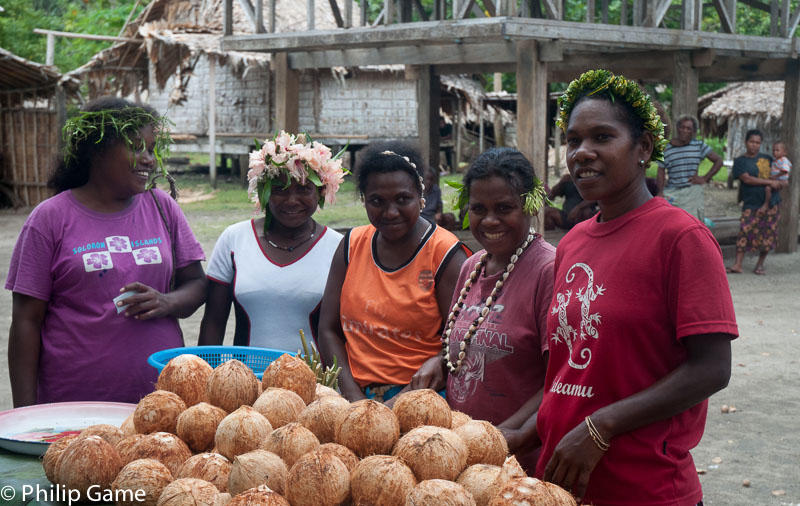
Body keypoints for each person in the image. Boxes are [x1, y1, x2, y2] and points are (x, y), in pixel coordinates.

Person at [536, 70, 737, 505]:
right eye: (573, 141)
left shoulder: (681, 238)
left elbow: (713, 367)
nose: (582, 153)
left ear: (643, 147)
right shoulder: (572, 242)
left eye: (602, 137)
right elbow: (569, 370)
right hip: (560, 484)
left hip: (644, 486)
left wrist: (600, 426)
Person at [6, 97, 206, 407]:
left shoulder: (161, 207)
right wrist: (26, 414)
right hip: (73, 405)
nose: (148, 159)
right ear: (97, 150)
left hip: (159, 405)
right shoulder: (50, 219)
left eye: (151, 150)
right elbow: (26, 322)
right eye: (135, 147)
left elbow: (197, 283)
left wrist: (166, 301)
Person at [419, 147, 554, 473]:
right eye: (479, 209)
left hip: (518, 463)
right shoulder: (472, 267)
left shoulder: (548, 269)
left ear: (530, 206)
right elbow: (467, 341)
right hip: (464, 456)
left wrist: (500, 437)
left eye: (504, 208)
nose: (490, 220)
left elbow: (558, 380)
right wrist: (440, 361)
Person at [318, 141, 469, 404]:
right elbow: (328, 329)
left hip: (422, 399)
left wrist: (399, 401)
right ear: (364, 199)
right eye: (377, 201)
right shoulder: (352, 245)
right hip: (353, 395)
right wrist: (353, 399)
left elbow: (460, 342)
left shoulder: (444, 254)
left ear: (421, 195)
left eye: (403, 199)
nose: (390, 212)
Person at [198, 132, 346, 351]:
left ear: (321, 192)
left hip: (317, 382)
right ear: (263, 192)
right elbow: (213, 321)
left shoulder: (339, 247)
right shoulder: (235, 239)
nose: (292, 200)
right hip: (247, 379)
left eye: (304, 189)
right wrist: (205, 374)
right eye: (279, 189)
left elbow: (347, 329)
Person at [726, 130, 786, 275]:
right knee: (744, 231)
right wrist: (770, 182)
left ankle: (759, 265)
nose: (754, 145)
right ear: (746, 142)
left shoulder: (768, 159)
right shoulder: (740, 161)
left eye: (758, 143)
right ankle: (737, 264)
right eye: (752, 142)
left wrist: (780, 183)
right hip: (751, 202)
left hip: (771, 202)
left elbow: (780, 176)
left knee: (768, 233)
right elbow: (747, 179)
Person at [656, 115, 724, 222]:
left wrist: (704, 178)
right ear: (677, 128)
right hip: (673, 191)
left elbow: (718, 161)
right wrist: (660, 192)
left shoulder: (698, 145)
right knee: (670, 222)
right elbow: (660, 171)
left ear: (693, 132)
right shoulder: (666, 148)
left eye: (688, 129)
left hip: (692, 191)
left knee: (692, 222)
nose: (684, 130)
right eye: (682, 127)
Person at [420, 164, 457, 230]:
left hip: (433, 217)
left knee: (450, 217)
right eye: (427, 179)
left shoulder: (436, 189)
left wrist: (439, 213)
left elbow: (439, 204)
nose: (429, 182)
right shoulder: (417, 190)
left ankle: (445, 235)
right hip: (422, 218)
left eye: (431, 179)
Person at [761, 140, 792, 216]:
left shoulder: (784, 160)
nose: (775, 152)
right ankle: (772, 206)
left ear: (784, 152)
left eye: (777, 150)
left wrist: (775, 176)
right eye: (773, 150)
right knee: (773, 192)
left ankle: (769, 205)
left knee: (769, 189)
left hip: (782, 180)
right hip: (776, 180)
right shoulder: (775, 160)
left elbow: (785, 171)